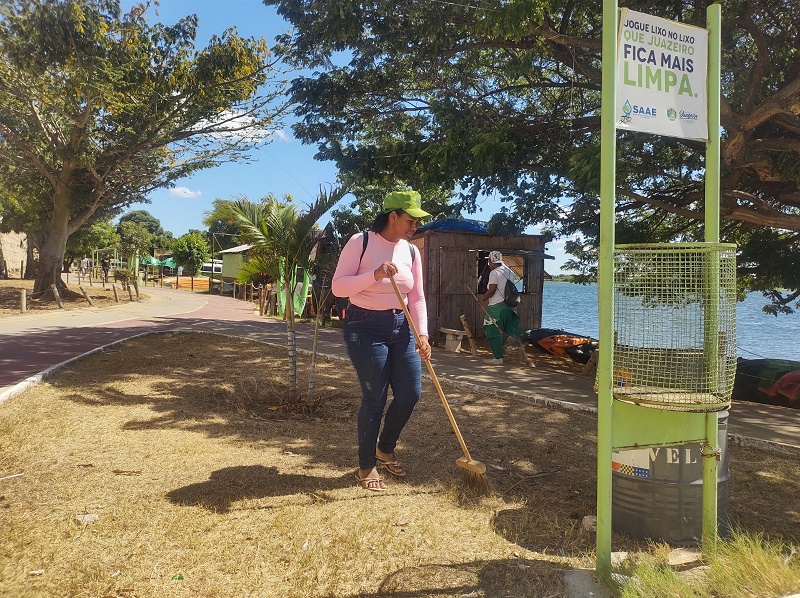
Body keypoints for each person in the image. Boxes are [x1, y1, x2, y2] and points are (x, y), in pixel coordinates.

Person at [331, 190, 432, 491]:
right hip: (365, 325)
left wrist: (423, 333)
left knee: (410, 393)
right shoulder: (360, 242)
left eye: (417, 222)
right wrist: (374, 275)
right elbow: (339, 287)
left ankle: (384, 447)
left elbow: (417, 296)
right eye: (410, 220)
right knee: (375, 397)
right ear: (393, 216)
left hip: (402, 327)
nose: (415, 226)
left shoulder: (411, 251)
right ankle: (366, 467)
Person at [479, 251, 520, 364]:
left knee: (492, 330)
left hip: (497, 306)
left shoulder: (494, 273)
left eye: (489, 261)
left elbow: (492, 290)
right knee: (503, 331)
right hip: (509, 306)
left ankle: (498, 357)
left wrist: (481, 300)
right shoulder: (509, 272)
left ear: (491, 261)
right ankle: (502, 355)